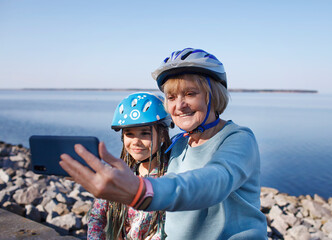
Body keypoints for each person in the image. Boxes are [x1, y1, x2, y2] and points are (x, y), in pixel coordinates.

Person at [60, 48, 268, 239]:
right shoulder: (178, 146)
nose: (179, 105)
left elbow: (215, 181)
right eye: (171, 96)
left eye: (190, 93)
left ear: (213, 95)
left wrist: (140, 191)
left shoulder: (238, 139)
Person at [87, 92, 172, 240]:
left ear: (163, 135)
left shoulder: (170, 177)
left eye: (145, 133)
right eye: (129, 134)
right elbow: (96, 216)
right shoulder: (119, 173)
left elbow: (165, 230)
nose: (135, 142)